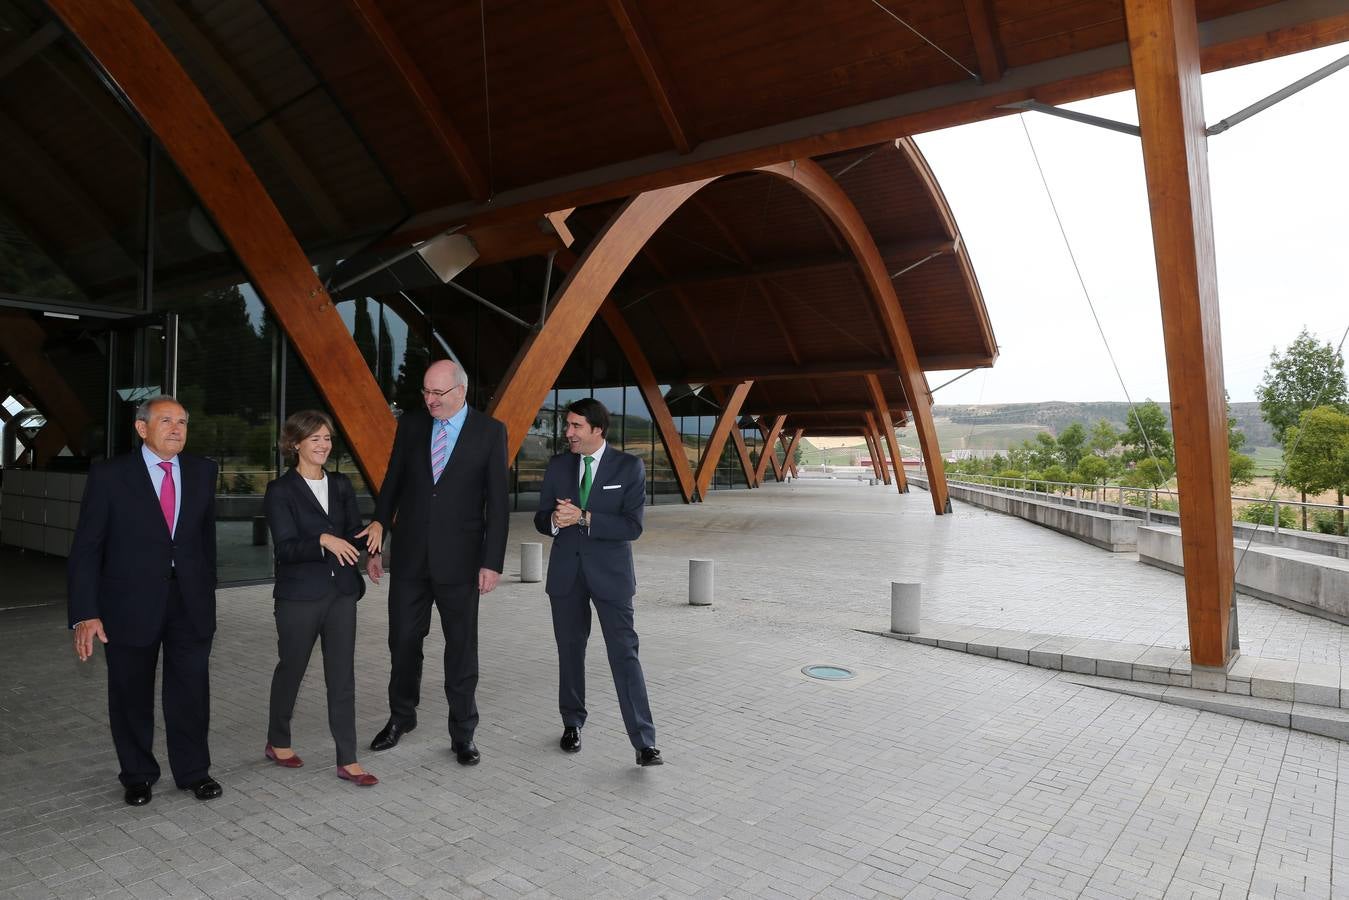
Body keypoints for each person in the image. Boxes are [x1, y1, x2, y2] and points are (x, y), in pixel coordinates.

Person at [68, 395, 223, 806]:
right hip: (128, 604)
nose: (177, 428)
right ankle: (137, 774)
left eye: (183, 422)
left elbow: (205, 541)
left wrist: (208, 588)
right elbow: (86, 548)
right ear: (141, 428)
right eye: (166, 420)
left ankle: (194, 771)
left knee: (191, 692)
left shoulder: (203, 471)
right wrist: (86, 612)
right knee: (130, 693)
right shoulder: (109, 476)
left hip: (189, 602)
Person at [359, 360, 508, 764]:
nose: (429, 400)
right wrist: (377, 545)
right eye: (426, 392)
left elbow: (498, 502)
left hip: (461, 563)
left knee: (461, 649)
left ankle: (463, 732)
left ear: (461, 391)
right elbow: (392, 484)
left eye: (437, 393)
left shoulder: (490, 433)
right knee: (403, 642)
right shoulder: (411, 425)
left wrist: (491, 562)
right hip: (409, 559)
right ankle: (401, 717)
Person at [534, 398, 662, 766]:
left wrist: (585, 517)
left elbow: (633, 526)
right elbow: (542, 517)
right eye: (567, 426)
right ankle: (572, 723)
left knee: (624, 655)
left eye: (575, 427)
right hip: (566, 575)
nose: (568, 433)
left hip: (612, 577)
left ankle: (644, 742)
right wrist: (556, 521)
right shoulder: (559, 466)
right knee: (570, 652)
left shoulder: (628, 466)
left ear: (597, 430)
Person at [262, 411, 376, 786]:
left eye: (327, 438)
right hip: (299, 597)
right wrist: (322, 541)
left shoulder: (341, 484)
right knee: (291, 670)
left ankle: (348, 759)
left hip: (341, 593)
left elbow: (352, 534)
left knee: (341, 677)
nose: (323, 445)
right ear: (295, 443)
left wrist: (374, 533)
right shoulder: (280, 491)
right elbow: (286, 548)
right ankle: (278, 740)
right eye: (315, 439)